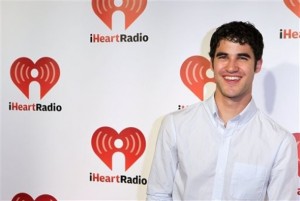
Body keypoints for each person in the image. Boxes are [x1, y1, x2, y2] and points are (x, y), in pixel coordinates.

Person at [146, 21, 298, 200]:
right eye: (223, 57)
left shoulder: (279, 142)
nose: (231, 67)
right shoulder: (175, 125)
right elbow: (158, 194)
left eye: (242, 57)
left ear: (257, 65)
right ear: (211, 63)